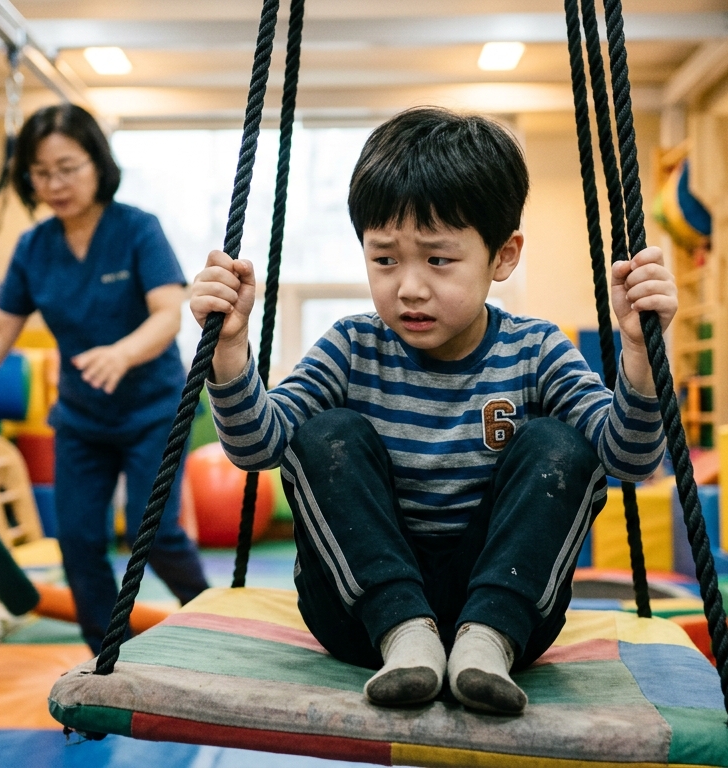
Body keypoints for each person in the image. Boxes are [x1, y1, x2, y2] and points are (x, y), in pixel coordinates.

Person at [189, 107, 675, 715]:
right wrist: (231, 351)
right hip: (359, 612)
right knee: (325, 434)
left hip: (506, 616)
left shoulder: (535, 349)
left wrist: (638, 352)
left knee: (561, 445)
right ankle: (406, 633)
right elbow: (258, 447)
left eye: (438, 260)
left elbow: (627, 461)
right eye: (385, 259)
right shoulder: (351, 346)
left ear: (503, 256)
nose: (409, 286)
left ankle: (484, 640)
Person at [0, 104, 208, 652]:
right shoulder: (34, 248)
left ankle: (216, 623)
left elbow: (169, 312)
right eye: (41, 172)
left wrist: (122, 353)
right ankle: (104, 655)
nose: (56, 184)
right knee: (76, 539)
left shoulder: (137, 229)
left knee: (159, 535)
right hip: (82, 417)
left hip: (152, 409)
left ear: (97, 162)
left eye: (68, 167)